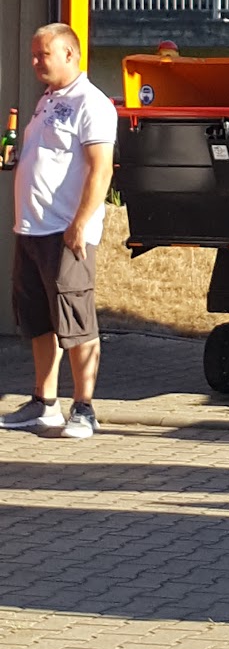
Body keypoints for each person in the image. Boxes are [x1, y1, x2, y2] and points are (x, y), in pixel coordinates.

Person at [1, 23, 117, 439]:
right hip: (31, 228)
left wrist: (80, 224)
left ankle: (84, 408)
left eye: (43, 55)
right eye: (34, 55)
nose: (35, 62)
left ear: (70, 53)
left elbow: (101, 169)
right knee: (38, 320)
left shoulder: (91, 103)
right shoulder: (47, 100)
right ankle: (44, 403)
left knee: (76, 318)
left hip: (65, 232)